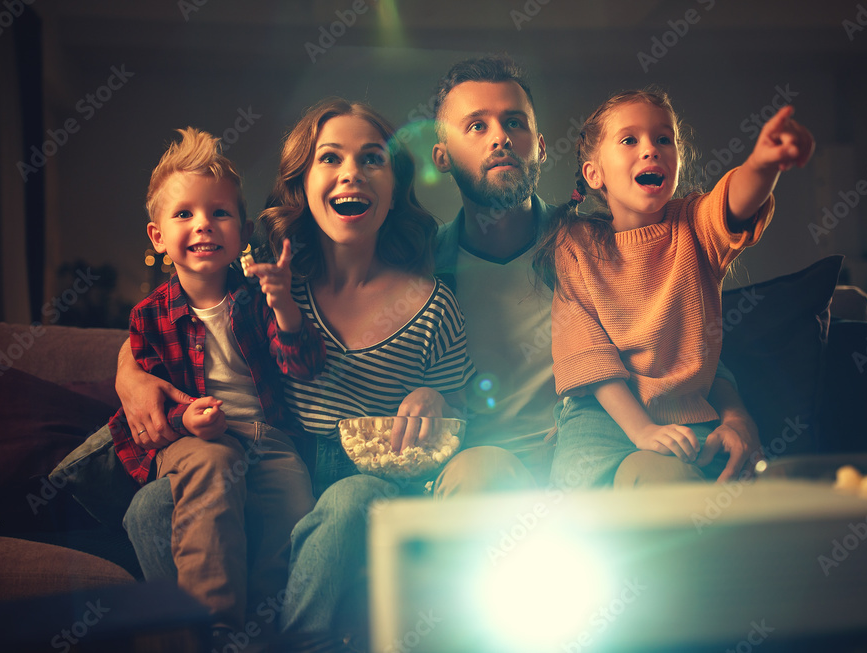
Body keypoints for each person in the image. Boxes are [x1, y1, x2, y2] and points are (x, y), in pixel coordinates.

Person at [122, 100, 475, 649]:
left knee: (350, 500)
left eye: (372, 159)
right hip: (281, 455)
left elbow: (459, 401)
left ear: (396, 182)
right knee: (149, 507)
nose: (351, 173)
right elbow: (187, 317)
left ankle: (297, 642)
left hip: (369, 475)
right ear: (303, 185)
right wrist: (130, 371)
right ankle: (195, 638)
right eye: (329, 158)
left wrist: (437, 398)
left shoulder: (433, 304)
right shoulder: (276, 285)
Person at [428, 55, 766, 494]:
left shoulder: (596, 245)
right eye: (476, 126)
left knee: (665, 486)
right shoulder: (424, 267)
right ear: (442, 156)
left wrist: (737, 416)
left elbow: (676, 347)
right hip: (485, 469)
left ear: (541, 147)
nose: (501, 139)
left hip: (609, 455)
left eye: (515, 123)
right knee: (476, 480)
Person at [108, 127, 326, 645]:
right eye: (184, 214)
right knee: (214, 463)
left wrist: (286, 308)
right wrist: (186, 420)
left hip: (267, 437)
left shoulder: (255, 297)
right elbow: (148, 404)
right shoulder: (150, 315)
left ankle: (264, 623)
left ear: (244, 229)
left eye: (219, 213)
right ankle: (216, 624)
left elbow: (301, 365)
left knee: (292, 495)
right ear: (158, 236)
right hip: (195, 439)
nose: (203, 225)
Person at [535, 88, 814, 490]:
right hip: (601, 421)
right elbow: (587, 357)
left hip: (685, 419)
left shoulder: (695, 226)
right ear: (594, 173)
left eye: (663, 139)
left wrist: (763, 163)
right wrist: (643, 431)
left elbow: (735, 202)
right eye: (630, 139)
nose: (650, 149)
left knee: (679, 488)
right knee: (585, 508)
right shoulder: (574, 245)